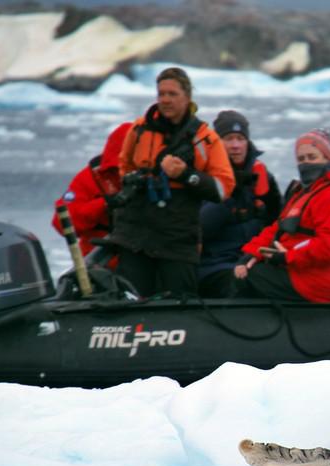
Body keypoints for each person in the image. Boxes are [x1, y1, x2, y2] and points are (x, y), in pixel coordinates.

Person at [104, 67, 236, 297]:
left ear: (187, 97)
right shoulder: (139, 129)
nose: (165, 100)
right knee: (130, 300)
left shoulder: (205, 138)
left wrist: (187, 175)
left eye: (172, 94)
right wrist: (134, 179)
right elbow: (124, 167)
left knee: (180, 302)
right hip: (135, 234)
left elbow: (223, 188)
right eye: (161, 94)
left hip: (177, 237)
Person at [232, 129, 330, 303]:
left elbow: (329, 245)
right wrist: (251, 253)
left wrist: (288, 257)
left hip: (323, 280)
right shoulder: (307, 190)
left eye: (312, 157)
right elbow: (278, 228)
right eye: (301, 159)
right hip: (302, 270)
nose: (306, 163)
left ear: (328, 158)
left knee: (251, 277)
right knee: (242, 269)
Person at [197, 110, 281, 297]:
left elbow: (277, 222)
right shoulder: (204, 177)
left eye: (240, 139)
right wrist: (231, 192)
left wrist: (272, 200)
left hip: (252, 259)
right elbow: (201, 227)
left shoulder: (261, 176)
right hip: (214, 264)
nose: (235, 145)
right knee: (239, 284)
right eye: (228, 139)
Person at [50, 122, 132, 261]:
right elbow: (62, 223)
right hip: (101, 266)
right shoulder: (90, 178)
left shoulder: (159, 178)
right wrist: (104, 204)